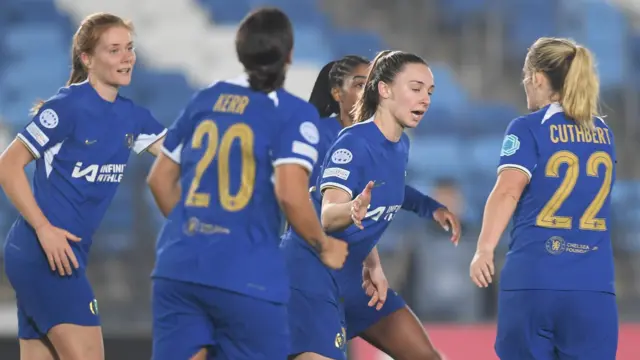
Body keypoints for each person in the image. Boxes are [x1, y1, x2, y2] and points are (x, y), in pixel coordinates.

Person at [146, 8, 348, 360]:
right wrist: (323, 244)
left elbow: (159, 180)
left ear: (240, 52)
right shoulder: (293, 114)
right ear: (289, 55)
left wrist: (193, 230)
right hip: (246, 276)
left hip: (178, 267)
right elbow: (290, 193)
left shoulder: (205, 99)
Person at [0, 12, 166, 360]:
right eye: (114, 49)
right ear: (87, 59)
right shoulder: (66, 108)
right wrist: (44, 229)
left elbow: (181, 156)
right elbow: (8, 165)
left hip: (60, 256)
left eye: (130, 48)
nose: (127, 57)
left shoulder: (133, 116)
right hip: (43, 254)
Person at [281, 50, 457, 360]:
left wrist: (372, 263)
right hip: (311, 273)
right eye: (415, 89)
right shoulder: (352, 143)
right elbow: (328, 215)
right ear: (384, 90)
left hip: (354, 276)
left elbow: (373, 209)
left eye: (429, 92)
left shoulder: (400, 144)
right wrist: (349, 210)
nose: (425, 99)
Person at [470, 37, 617, 360]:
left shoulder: (528, 128)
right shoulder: (605, 135)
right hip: (594, 287)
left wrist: (484, 248)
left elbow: (508, 190)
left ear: (537, 78)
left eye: (526, 79)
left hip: (535, 280)